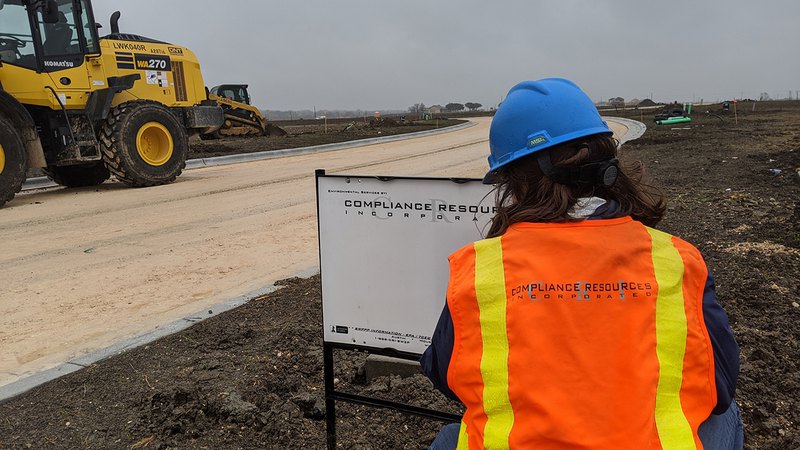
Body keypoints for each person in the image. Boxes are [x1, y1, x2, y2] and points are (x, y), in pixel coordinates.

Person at [420, 78, 742, 449]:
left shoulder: (480, 270)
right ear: (607, 161)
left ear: (513, 181)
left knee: (454, 435)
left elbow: (445, 375)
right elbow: (720, 384)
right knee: (725, 414)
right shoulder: (675, 260)